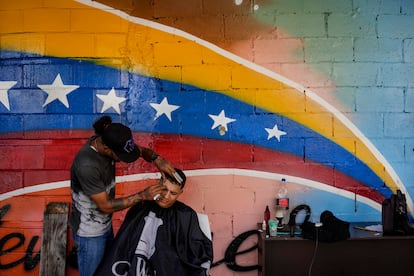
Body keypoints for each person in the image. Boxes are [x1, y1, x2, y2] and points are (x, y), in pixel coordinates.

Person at [69, 115, 177, 276]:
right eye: (119, 156)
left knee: (108, 271)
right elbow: (105, 206)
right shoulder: (87, 165)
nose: (122, 160)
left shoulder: (110, 142)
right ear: (106, 148)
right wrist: (142, 195)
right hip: (90, 234)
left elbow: (140, 151)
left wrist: (156, 159)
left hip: (104, 226)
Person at [94, 168, 213, 276]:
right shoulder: (140, 207)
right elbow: (124, 245)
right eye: (164, 190)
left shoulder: (186, 214)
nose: (166, 196)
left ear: (180, 192)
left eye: (173, 193)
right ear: (158, 184)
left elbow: (196, 249)